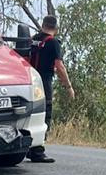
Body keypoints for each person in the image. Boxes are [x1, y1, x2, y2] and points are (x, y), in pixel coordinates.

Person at [28, 13, 74, 164]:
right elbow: (59, 66)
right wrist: (68, 87)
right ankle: (38, 150)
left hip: (30, 81)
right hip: (44, 81)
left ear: (43, 25)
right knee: (45, 114)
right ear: (56, 28)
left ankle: (30, 146)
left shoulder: (34, 40)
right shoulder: (53, 43)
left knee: (32, 114)